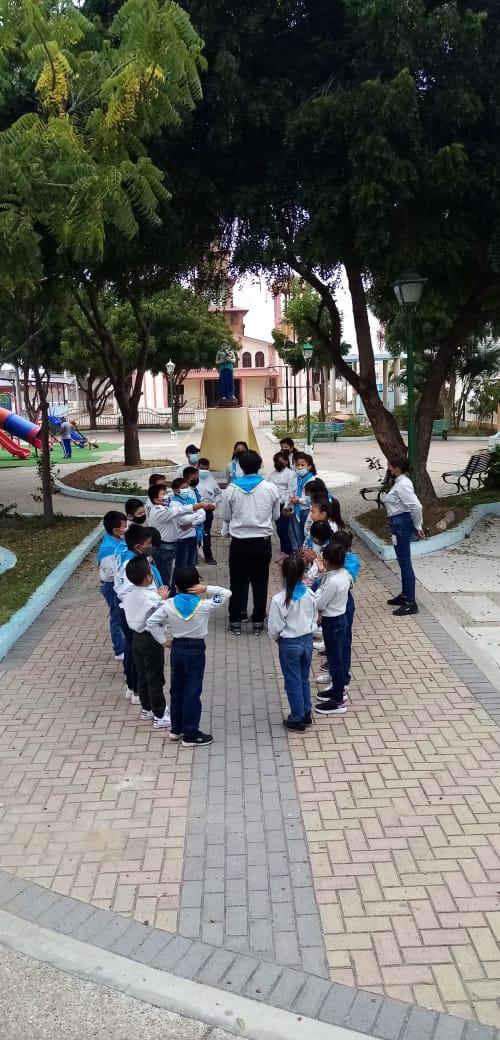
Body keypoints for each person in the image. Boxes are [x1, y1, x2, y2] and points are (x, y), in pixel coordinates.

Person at [147, 565, 231, 747]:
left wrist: (163, 641)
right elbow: (226, 593)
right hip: (196, 650)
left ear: (176, 586)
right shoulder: (204, 605)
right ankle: (191, 734)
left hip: (177, 648)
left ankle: (176, 729)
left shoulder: (169, 604)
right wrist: (206, 589)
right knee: (192, 692)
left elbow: (152, 622)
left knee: (176, 690)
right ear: (197, 584)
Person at [220, 449, 280, 635]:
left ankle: (235, 622)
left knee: (237, 582)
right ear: (259, 465)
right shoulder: (270, 488)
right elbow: (276, 515)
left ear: (241, 466)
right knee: (260, 583)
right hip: (262, 542)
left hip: (239, 543)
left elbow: (225, 516)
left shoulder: (231, 489)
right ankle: (258, 623)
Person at [114, 525, 163, 704]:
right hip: (135, 612)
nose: (150, 547)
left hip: (130, 609)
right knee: (137, 653)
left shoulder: (125, 554)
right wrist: (157, 599)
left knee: (131, 648)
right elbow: (131, 592)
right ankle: (136, 690)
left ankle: (131, 685)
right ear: (138, 547)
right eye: (148, 544)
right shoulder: (132, 565)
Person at [268, 555, 317, 732]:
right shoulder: (310, 594)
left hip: (289, 643)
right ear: (303, 573)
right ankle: (306, 711)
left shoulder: (279, 599)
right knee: (303, 678)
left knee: (292, 681)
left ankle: (297, 717)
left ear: (283, 574)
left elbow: (274, 627)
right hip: (307, 641)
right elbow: (314, 617)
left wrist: (276, 638)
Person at [122, 556, 171, 729]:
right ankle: (160, 715)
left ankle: (147, 708)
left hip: (137, 638)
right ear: (148, 578)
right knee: (155, 677)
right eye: (151, 573)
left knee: (142, 675)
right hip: (151, 640)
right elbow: (161, 616)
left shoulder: (129, 593)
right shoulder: (151, 598)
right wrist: (163, 599)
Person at [315, 529, 360, 700]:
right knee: (334, 648)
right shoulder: (335, 569)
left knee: (343, 645)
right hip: (334, 604)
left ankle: (342, 682)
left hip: (343, 606)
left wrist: (324, 570)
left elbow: (339, 582)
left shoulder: (350, 562)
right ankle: (335, 675)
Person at [383, 455, 425, 616]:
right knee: (402, 562)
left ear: (397, 468)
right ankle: (405, 595)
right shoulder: (399, 482)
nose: (388, 469)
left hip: (402, 523)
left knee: (405, 563)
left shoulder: (403, 484)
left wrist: (418, 525)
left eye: (390, 466)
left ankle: (410, 602)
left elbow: (416, 506)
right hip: (398, 523)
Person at [313, 542, 351, 717]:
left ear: (327, 561)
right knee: (337, 658)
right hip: (340, 618)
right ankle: (338, 689)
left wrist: (318, 595)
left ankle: (338, 700)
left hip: (332, 621)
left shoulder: (333, 582)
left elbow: (320, 602)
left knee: (335, 661)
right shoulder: (343, 575)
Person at [97, 510, 127, 660]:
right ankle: (119, 650)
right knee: (117, 617)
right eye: (124, 526)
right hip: (111, 587)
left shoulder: (117, 542)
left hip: (117, 585)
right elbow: (110, 573)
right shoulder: (108, 549)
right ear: (116, 530)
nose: (126, 529)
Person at [170, 476, 211, 569]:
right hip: (181, 539)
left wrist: (191, 524)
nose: (186, 490)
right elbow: (183, 520)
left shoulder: (191, 500)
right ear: (176, 491)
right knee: (181, 566)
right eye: (183, 488)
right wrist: (195, 513)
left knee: (192, 565)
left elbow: (203, 515)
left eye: (186, 487)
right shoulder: (174, 503)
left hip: (193, 536)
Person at [268, 451, 295, 561]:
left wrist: (287, 506)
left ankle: (288, 552)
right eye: (276, 461)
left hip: (284, 505)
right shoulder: (272, 474)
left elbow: (290, 491)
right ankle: (284, 551)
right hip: (275, 505)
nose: (278, 463)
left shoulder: (290, 474)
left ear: (286, 461)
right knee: (279, 530)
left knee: (284, 530)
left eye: (281, 461)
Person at [289, 453, 317, 549]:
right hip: (296, 511)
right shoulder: (294, 479)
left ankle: (308, 553)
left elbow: (313, 498)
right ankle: (301, 554)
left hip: (307, 511)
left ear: (309, 467)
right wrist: (290, 502)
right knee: (299, 536)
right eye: (297, 465)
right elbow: (290, 492)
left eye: (302, 465)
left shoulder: (312, 480)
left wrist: (299, 500)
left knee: (308, 535)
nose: (300, 467)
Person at [197, 457, 222, 564]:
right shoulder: (193, 480)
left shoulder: (212, 481)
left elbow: (219, 494)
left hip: (207, 511)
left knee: (206, 533)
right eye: (202, 468)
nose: (204, 471)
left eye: (206, 469)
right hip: (194, 510)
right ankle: (194, 557)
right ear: (197, 467)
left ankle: (208, 556)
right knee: (193, 533)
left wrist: (214, 504)